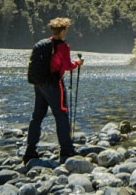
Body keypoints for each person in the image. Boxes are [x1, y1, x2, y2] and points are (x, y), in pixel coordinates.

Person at [24, 16, 84, 164]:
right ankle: (66, 150)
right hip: (54, 83)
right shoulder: (62, 46)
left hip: (40, 84)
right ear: (63, 30)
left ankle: (30, 151)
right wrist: (77, 63)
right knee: (61, 115)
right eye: (66, 29)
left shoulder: (43, 44)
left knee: (37, 116)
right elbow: (67, 66)